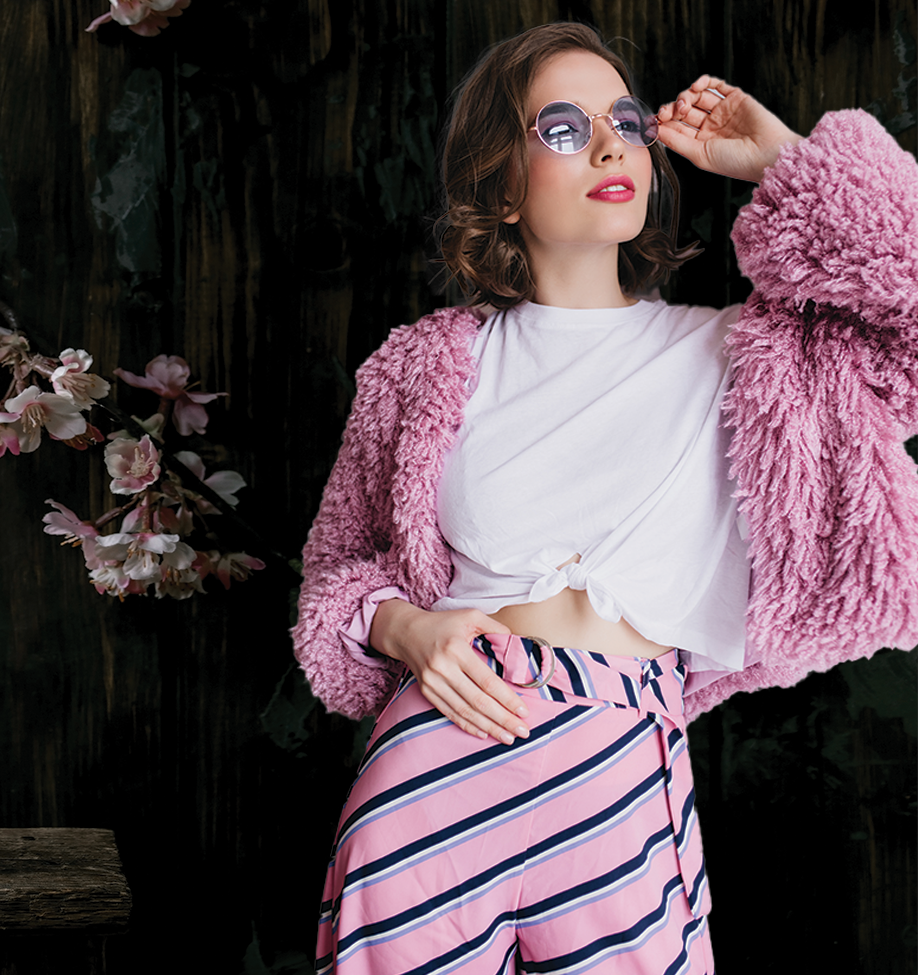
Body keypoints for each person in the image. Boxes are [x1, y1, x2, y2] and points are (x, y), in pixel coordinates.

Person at [291, 22, 918, 975]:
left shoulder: (753, 356)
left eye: (624, 121)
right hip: (438, 762)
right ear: (504, 186)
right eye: (562, 128)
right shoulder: (421, 368)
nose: (611, 145)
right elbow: (337, 571)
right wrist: (406, 628)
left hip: (623, 771)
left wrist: (787, 159)